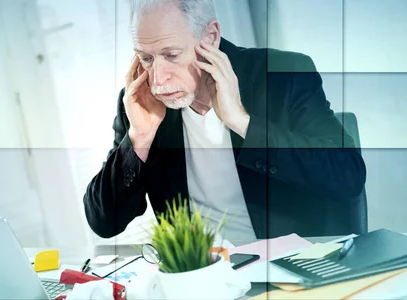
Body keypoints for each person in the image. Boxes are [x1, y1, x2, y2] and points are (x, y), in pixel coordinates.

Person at [83, 0, 366, 243]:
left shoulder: (283, 74)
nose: (158, 80)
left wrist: (243, 122)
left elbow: (348, 177)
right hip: (201, 274)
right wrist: (139, 139)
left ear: (210, 37)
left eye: (171, 55)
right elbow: (105, 222)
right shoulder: (141, 99)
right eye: (146, 58)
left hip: (289, 269)